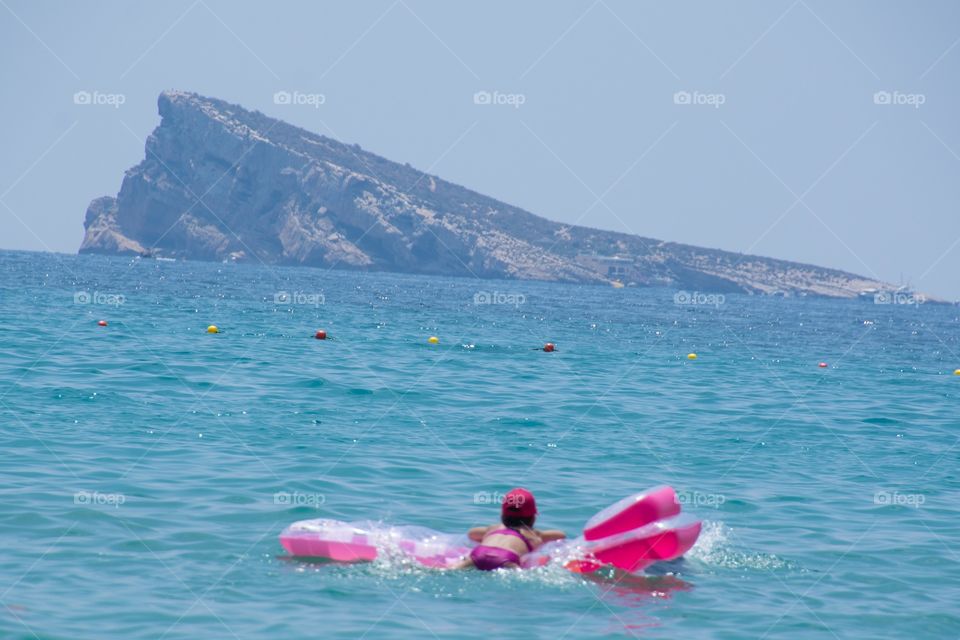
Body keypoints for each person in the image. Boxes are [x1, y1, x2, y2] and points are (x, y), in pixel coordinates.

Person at [454, 488, 566, 571]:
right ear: (533, 517)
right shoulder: (533, 534)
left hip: (479, 554)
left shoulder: (493, 528)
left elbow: (472, 533)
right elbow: (561, 535)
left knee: (451, 570)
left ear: (503, 514)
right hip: (507, 558)